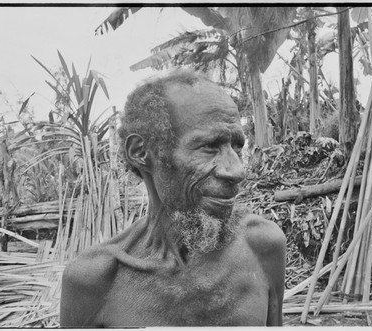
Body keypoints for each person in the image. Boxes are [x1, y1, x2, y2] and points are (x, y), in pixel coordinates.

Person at [60, 70, 286, 327]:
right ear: (141, 152)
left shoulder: (263, 246)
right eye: (209, 146)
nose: (237, 171)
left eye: (237, 146)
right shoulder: (95, 279)